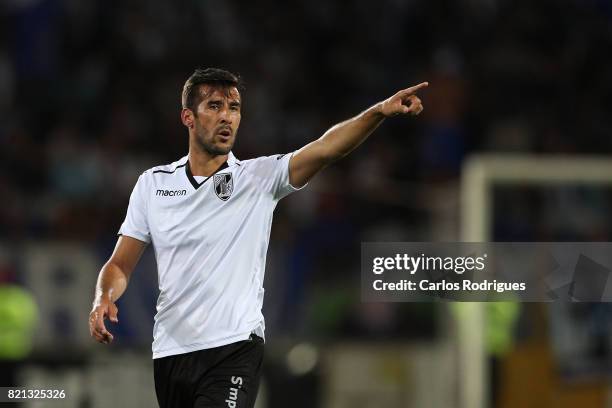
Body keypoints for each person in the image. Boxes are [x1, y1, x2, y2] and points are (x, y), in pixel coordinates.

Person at [88, 67, 427, 408]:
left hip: (233, 348)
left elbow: (326, 150)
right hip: (171, 352)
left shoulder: (259, 177)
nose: (227, 117)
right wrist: (104, 296)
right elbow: (120, 263)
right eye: (215, 106)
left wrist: (378, 112)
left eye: (234, 108)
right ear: (188, 117)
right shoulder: (153, 185)